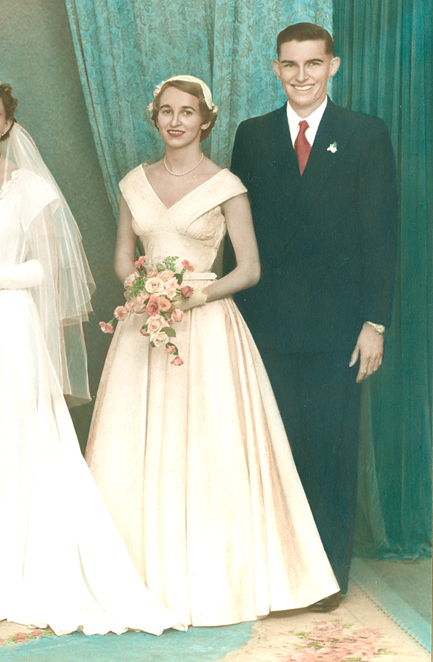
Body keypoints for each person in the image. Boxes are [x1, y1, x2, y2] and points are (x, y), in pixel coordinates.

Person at [0, 78, 183, 636]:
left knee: (6, 441)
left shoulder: (30, 189)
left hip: (8, 328)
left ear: (8, 125)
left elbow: (46, 271)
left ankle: (9, 579)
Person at [85, 75, 340, 626]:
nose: (176, 121)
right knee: (136, 442)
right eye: (166, 112)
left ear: (206, 121)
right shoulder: (134, 182)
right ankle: (138, 574)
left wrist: (196, 293)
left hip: (206, 327)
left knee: (209, 444)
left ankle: (220, 578)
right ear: (155, 119)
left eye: (187, 112)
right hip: (146, 328)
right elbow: (123, 257)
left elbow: (248, 269)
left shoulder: (228, 186)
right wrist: (142, 290)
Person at [229, 24, 398, 610]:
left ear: (334, 66)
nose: (301, 76)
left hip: (338, 328)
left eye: (313, 64)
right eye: (290, 65)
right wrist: (231, 317)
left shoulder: (365, 134)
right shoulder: (251, 136)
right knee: (275, 446)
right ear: (276, 69)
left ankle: (325, 577)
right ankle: (279, 570)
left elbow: (381, 234)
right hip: (266, 321)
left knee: (330, 447)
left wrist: (375, 321)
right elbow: (237, 237)